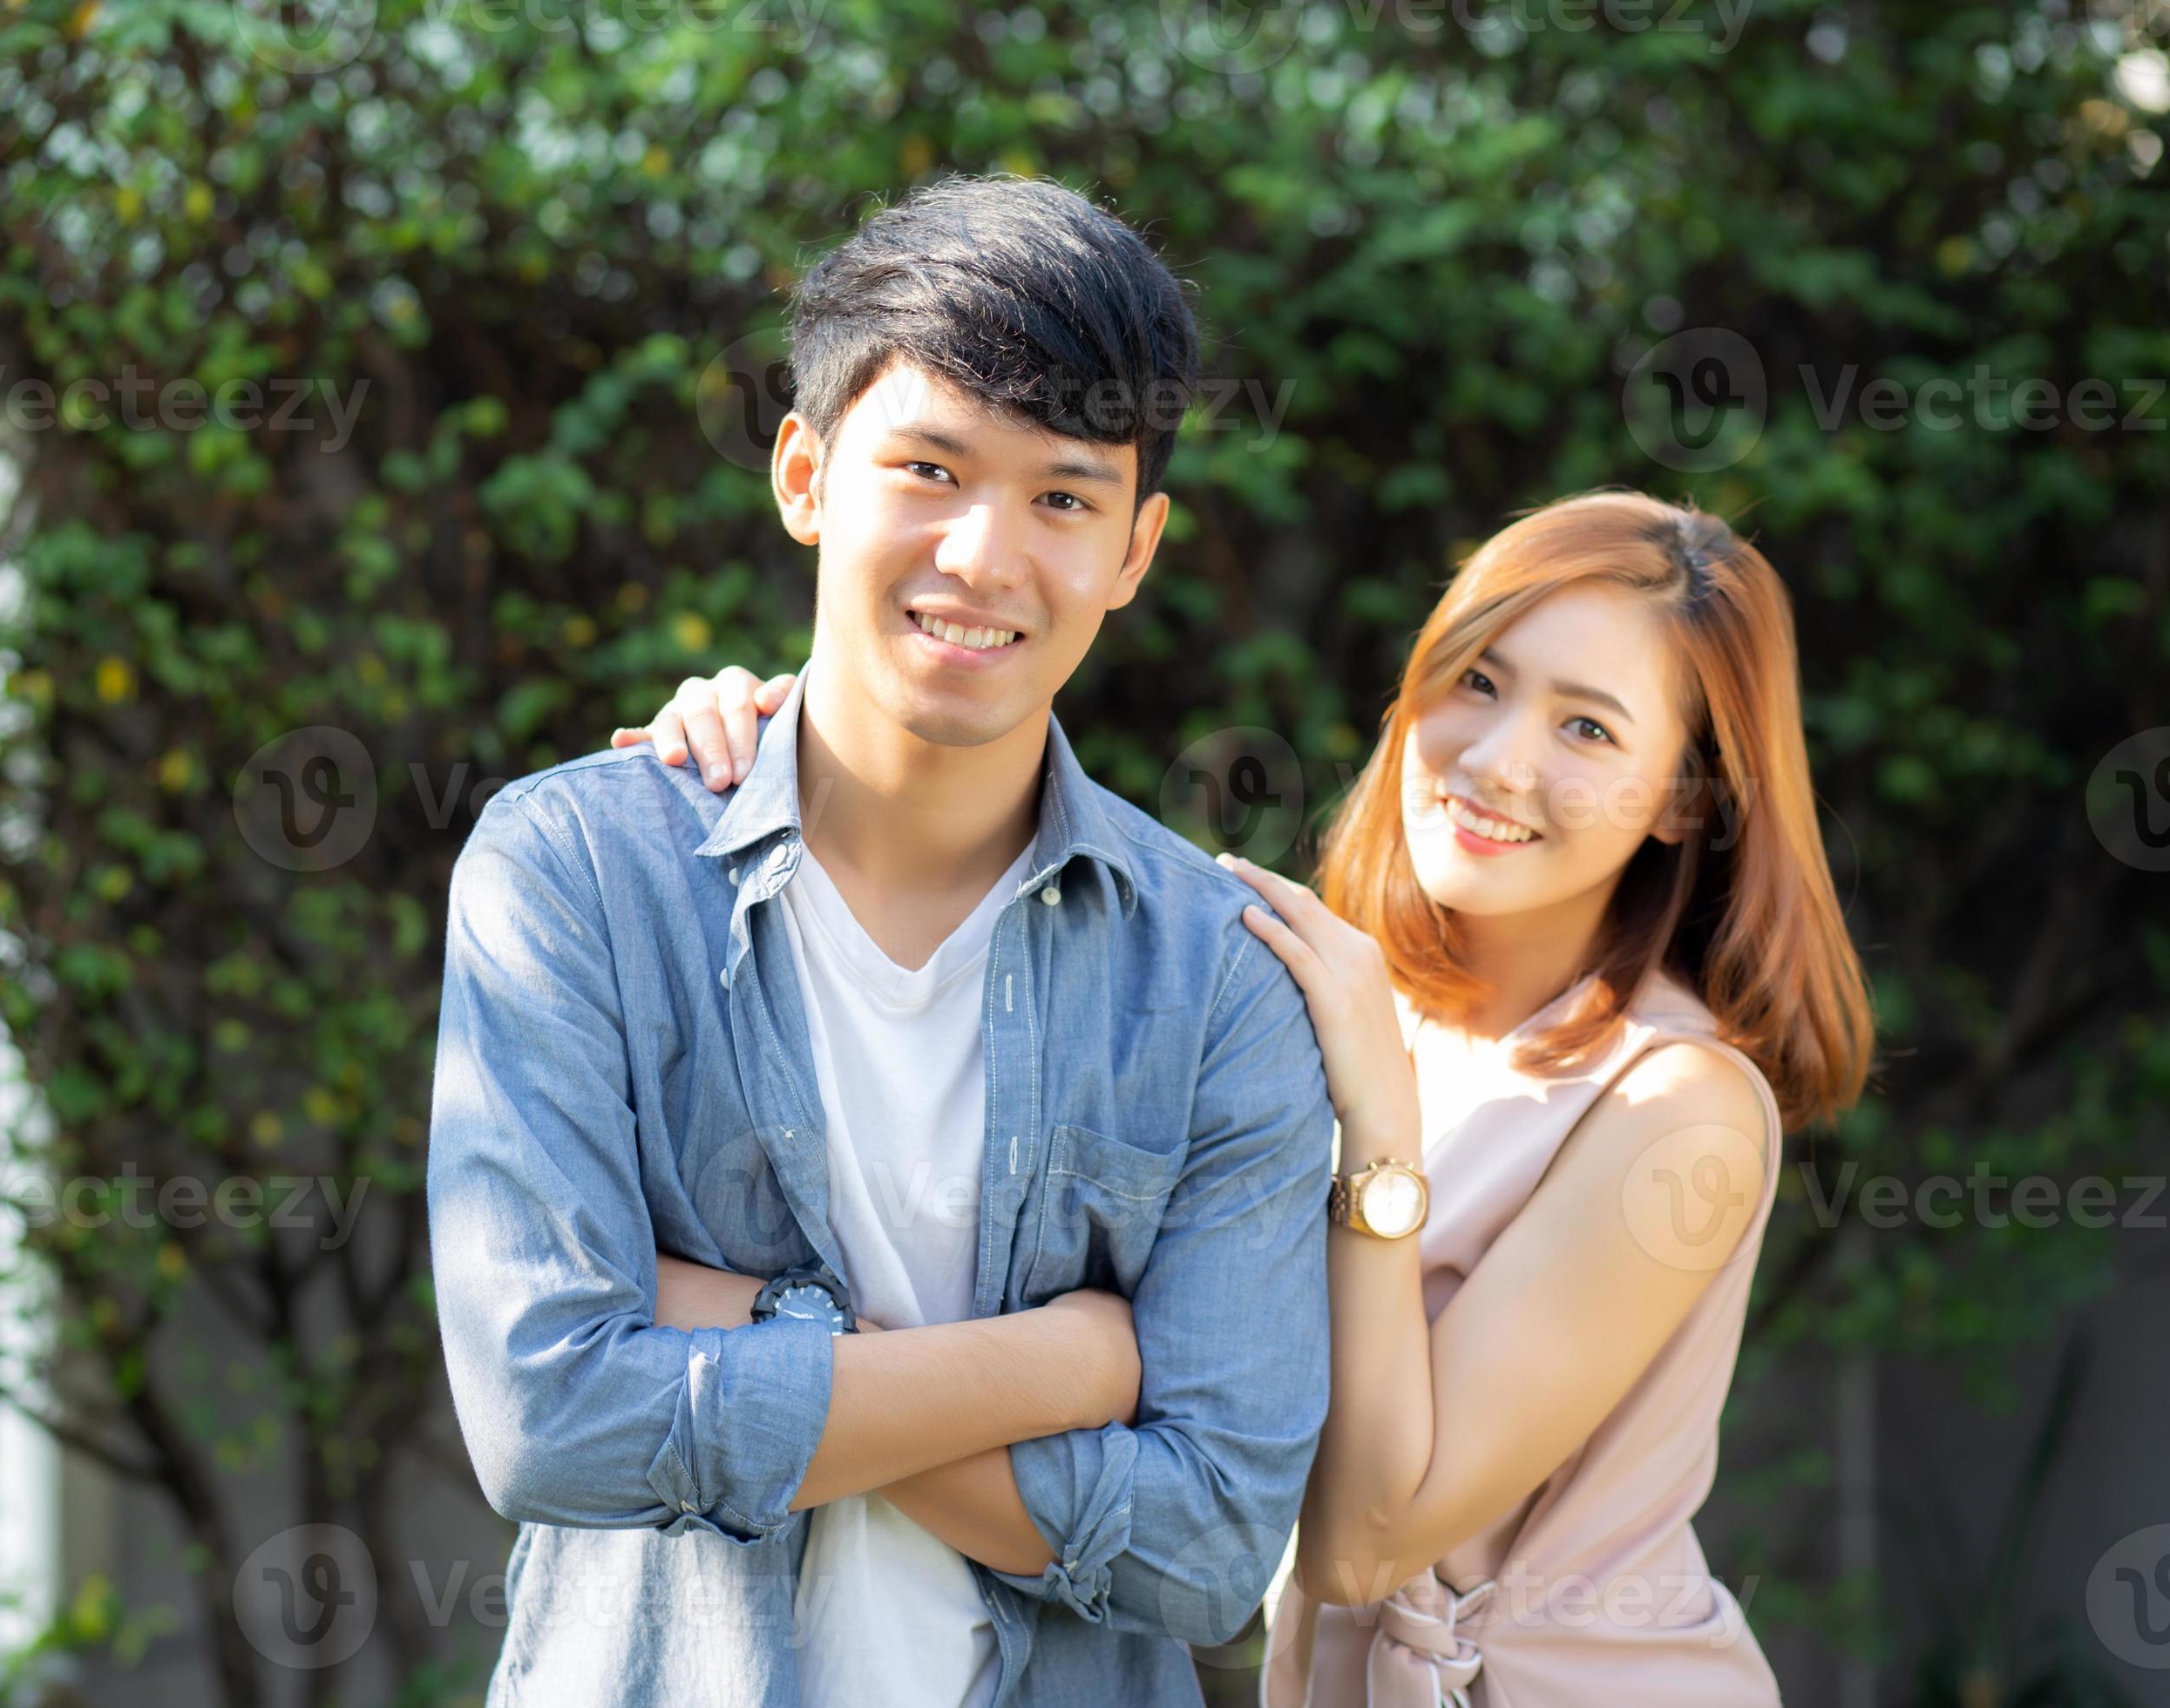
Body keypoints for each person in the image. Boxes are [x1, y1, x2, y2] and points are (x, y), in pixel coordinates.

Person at [620, 489, 1874, 1705]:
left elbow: (1362, 1543)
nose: (1497, 760)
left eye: (1589, 730)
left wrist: (1380, 1132)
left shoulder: (1677, 1109)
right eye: (1478, 680)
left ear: (1681, 799)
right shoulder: (1302, 988)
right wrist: (795, 745)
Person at [431, 173, 1334, 1708]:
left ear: (1136, 549)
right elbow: (550, 1421)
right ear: (804, 474)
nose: (984, 558)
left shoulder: (1215, 977)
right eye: (928, 467)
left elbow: (1211, 1550)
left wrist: (724, 1325)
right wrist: (1063, 1366)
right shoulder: (578, 873)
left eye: (1062, 496)